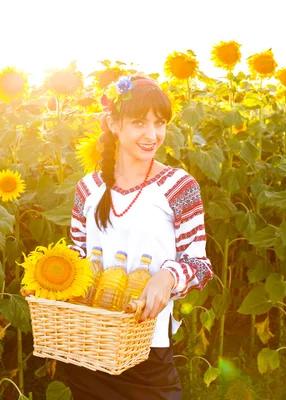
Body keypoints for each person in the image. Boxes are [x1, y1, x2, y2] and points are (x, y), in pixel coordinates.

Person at [62, 75, 213, 400]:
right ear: (113, 123)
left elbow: (199, 264)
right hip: (89, 345)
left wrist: (167, 277)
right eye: (139, 123)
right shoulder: (87, 188)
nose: (152, 135)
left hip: (147, 346)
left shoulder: (179, 187)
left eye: (158, 123)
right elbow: (77, 256)